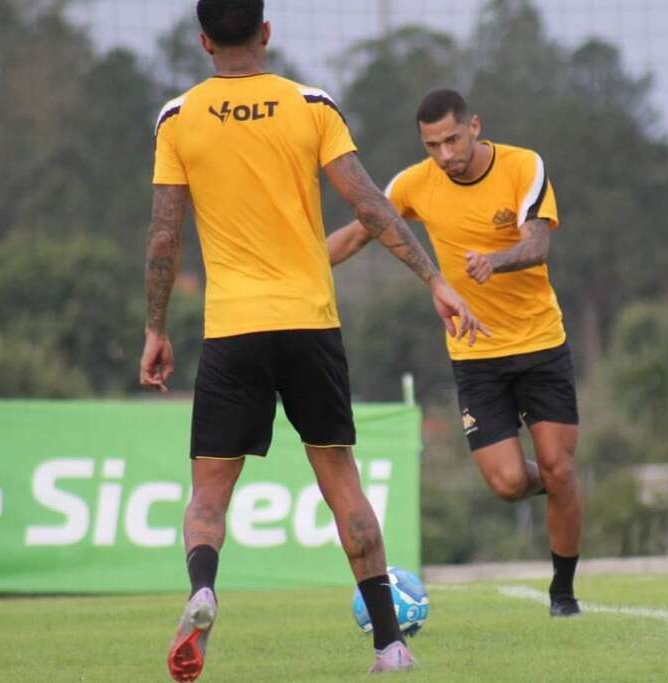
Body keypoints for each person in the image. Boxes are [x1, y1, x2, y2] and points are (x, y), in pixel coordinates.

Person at [140, 4, 487, 680]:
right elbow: (369, 206)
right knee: (342, 487)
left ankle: (203, 588)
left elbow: (162, 235)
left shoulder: (178, 119)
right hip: (308, 322)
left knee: (209, 496)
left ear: (205, 41)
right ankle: (390, 645)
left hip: (233, 328)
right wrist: (434, 279)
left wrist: (155, 327)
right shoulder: (312, 105)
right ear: (266, 33)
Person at [328, 89, 584, 618]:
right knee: (510, 483)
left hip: (540, 343)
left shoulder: (523, 166)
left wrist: (497, 260)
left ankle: (563, 592)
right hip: (475, 356)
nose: (445, 155)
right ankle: (561, 487)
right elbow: (359, 234)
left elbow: (537, 244)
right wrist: (296, 266)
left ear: (473, 126)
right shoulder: (413, 184)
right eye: (432, 146)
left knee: (558, 465)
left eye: (451, 139)